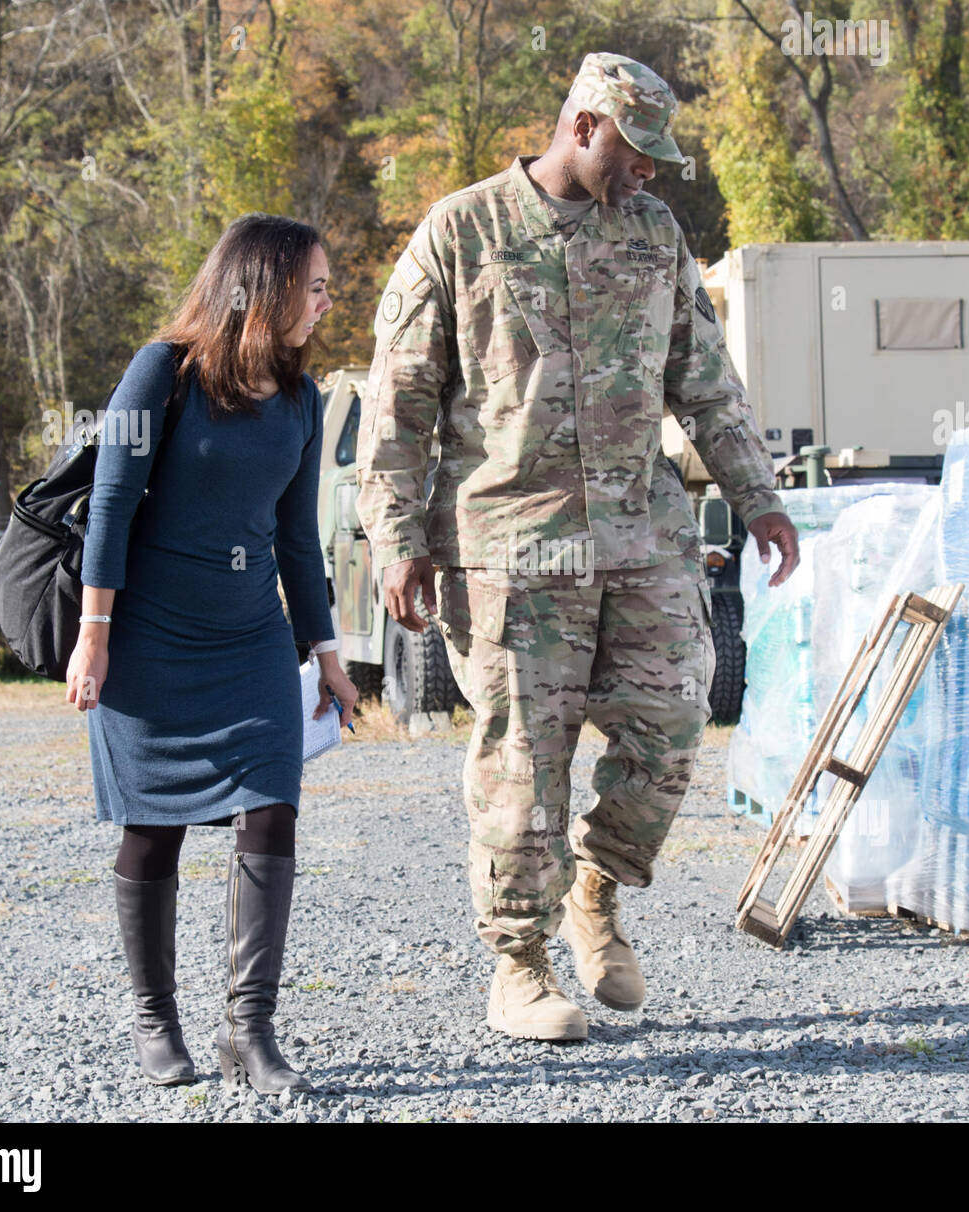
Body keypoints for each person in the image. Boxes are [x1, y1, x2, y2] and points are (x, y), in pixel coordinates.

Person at [356, 52, 800, 1041]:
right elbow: (400, 404)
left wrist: (757, 496)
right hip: (510, 550)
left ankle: (596, 890)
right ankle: (519, 964)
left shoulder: (653, 233)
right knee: (526, 762)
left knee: (674, 724)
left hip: (643, 540)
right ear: (585, 126)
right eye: (637, 153)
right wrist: (395, 537)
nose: (649, 174)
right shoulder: (460, 231)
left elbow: (705, 380)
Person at [65, 212, 358, 1094]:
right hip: (149, 642)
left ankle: (250, 1033)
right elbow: (111, 506)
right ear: (263, 287)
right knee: (150, 830)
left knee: (271, 811)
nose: (325, 302)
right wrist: (94, 634)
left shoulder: (304, 401)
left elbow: (297, 543)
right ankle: (157, 1024)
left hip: (250, 644)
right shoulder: (163, 372)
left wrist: (329, 655)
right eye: (314, 286)